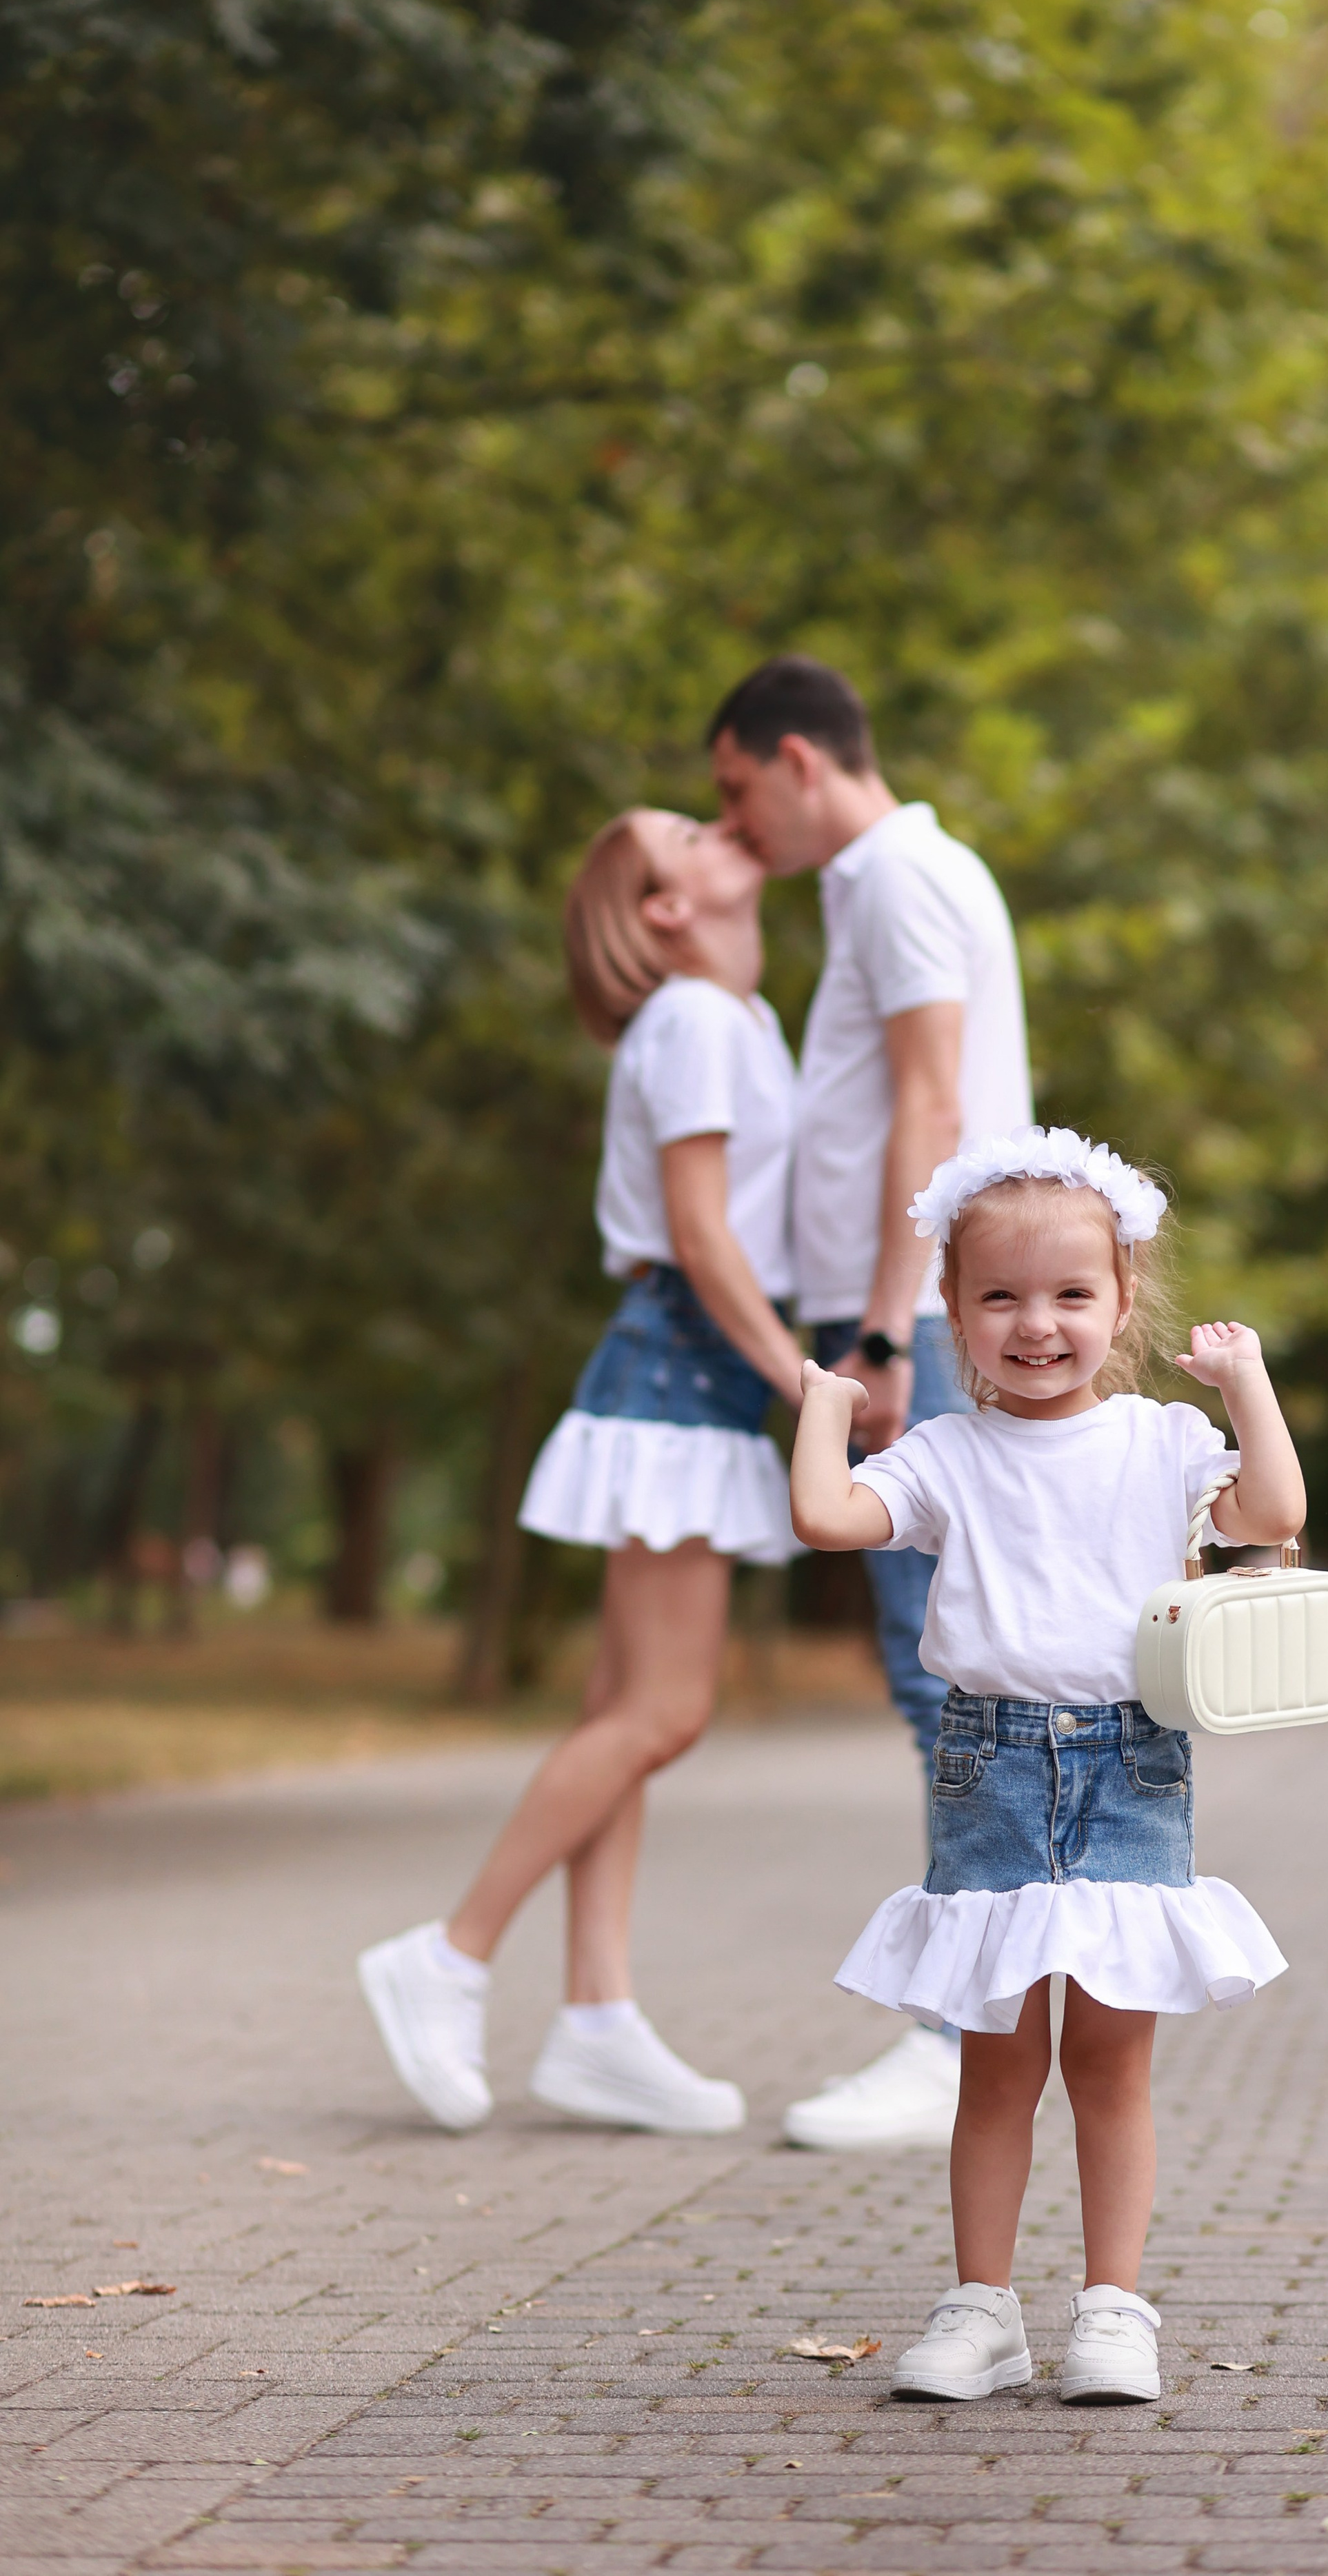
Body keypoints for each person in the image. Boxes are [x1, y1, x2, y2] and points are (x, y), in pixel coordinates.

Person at [790, 1127, 1305, 2403]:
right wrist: (825, 1414)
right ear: (955, 1312)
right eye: (1001, 1297)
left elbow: (1274, 1515)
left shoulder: (1161, 1440)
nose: (1037, 1324)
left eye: (1072, 1293)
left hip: (1133, 1769)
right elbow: (827, 1516)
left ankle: (1114, 2309)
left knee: (1110, 2065)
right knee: (997, 2065)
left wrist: (1246, 1384)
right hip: (993, 1769)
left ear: (1122, 1301)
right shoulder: (945, 1455)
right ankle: (983, 2309)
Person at [357, 807, 804, 2136]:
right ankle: (449, 1954)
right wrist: (804, 1381)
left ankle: (597, 2020)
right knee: (662, 1715)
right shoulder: (699, 1019)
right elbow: (700, 1234)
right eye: (692, 833)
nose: (727, 828)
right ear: (664, 908)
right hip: (682, 1364)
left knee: (625, 1711)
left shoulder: (735, 1018)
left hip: (689, 1370)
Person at [709, 654, 1033, 2151]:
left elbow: (929, 1099)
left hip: (912, 1319)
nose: (736, 826)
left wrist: (887, 1331)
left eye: (737, 790)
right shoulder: (892, 878)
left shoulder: (897, 875)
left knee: (944, 1678)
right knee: (950, 1678)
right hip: (910, 1312)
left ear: (798, 758)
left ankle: (957, 2038)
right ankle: (976, 2023)